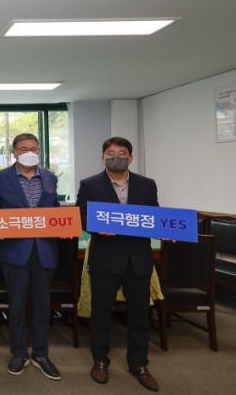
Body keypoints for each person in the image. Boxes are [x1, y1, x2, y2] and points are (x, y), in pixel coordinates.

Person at [76, 136, 160, 392]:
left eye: (122, 153)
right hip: (105, 258)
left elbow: (155, 215)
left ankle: (139, 364)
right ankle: (100, 361)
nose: (116, 157)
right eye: (111, 153)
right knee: (101, 313)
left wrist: (166, 229)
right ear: (103, 157)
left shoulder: (147, 184)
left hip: (138, 259)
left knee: (139, 315)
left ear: (131, 157)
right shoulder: (90, 184)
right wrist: (96, 228)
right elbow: (81, 216)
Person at [0, 133, 62, 381]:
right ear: (15, 152)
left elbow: (54, 211)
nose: (29, 152)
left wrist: (63, 226)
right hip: (14, 252)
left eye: (33, 148)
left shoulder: (50, 177)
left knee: (42, 305)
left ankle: (41, 354)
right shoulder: (1, 178)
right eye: (23, 148)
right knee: (17, 305)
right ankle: (19, 353)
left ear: (39, 151)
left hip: (45, 251)